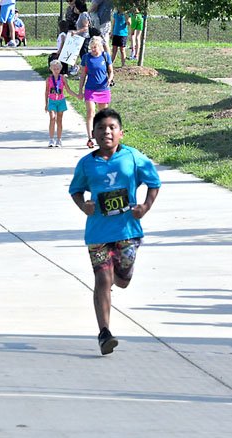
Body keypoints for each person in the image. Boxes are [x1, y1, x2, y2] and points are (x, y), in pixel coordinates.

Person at [69, 109, 161, 355]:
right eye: (101, 128)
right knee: (102, 279)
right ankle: (104, 333)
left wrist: (144, 207)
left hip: (127, 231)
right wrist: (84, 206)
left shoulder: (133, 158)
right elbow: (76, 190)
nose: (106, 132)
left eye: (111, 128)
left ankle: (120, 277)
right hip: (98, 233)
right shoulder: (87, 164)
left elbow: (154, 183)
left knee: (122, 280)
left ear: (121, 132)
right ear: (94, 133)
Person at [77, 36, 113, 148]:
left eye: (95, 47)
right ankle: (89, 138)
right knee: (90, 112)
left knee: (103, 115)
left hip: (103, 89)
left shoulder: (105, 56)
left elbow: (111, 71)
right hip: (90, 89)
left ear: (100, 47)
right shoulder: (86, 57)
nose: (93, 49)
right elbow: (83, 75)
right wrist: (80, 90)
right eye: (92, 47)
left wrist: (109, 79)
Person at [44, 60, 76, 147]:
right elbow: (46, 92)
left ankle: (59, 139)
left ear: (60, 69)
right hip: (52, 101)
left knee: (59, 120)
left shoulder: (62, 78)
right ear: (51, 69)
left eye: (57, 68)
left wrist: (77, 95)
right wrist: (46, 103)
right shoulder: (49, 79)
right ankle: (51, 139)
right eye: (54, 69)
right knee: (52, 118)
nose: (56, 70)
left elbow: (68, 90)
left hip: (61, 101)